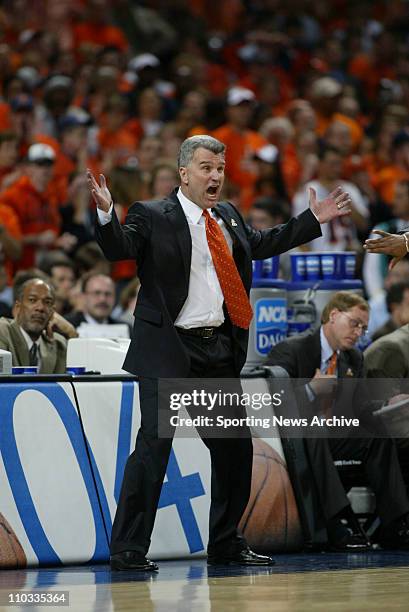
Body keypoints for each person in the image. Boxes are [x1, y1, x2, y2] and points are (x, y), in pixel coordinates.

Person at [88, 134, 352, 572]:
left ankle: (226, 542)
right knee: (154, 451)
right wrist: (104, 213)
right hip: (171, 350)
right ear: (184, 172)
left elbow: (261, 243)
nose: (216, 176)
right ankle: (128, 548)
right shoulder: (152, 214)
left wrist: (311, 220)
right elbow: (119, 249)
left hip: (218, 350)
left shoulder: (226, 215)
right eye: (207, 167)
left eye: (221, 168)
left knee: (234, 450)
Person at [266, 291, 409, 551]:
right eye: (354, 323)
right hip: (293, 439)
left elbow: (362, 408)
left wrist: (388, 405)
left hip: (333, 434)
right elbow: (270, 403)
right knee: (315, 431)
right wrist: (310, 390)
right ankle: (337, 521)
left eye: (364, 328)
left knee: (376, 438)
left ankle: (396, 523)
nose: (358, 333)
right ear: (333, 315)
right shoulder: (292, 350)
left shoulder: (353, 358)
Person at [0, 278, 75, 373]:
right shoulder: (3, 331)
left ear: (52, 312)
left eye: (47, 302)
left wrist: (71, 332)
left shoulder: (59, 343)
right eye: (32, 300)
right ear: (17, 308)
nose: (40, 308)